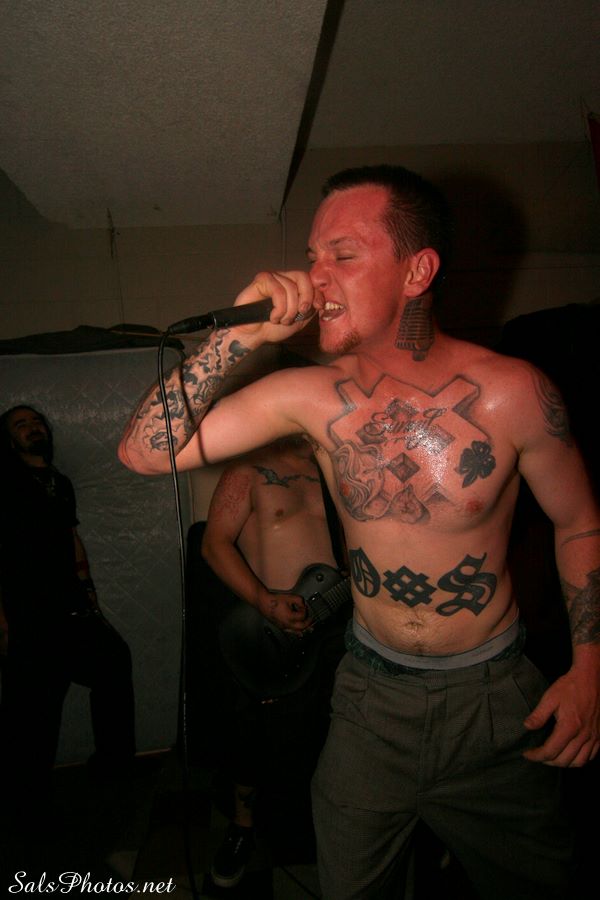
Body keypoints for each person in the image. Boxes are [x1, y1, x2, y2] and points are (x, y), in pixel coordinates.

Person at [118, 164, 600, 899]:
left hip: (494, 701)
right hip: (371, 701)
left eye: (343, 255)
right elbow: (144, 453)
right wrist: (236, 336)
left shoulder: (515, 394)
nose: (315, 277)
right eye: (313, 256)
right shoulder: (309, 397)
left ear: (417, 271)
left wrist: (591, 668)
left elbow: (579, 521)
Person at [200, 436, 348, 887]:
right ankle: (242, 828)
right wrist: (265, 601)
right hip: (270, 633)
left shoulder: (341, 471)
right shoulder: (248, 470)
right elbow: (214, 544)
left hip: (336, 628)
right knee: (252, 737)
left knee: (336, 735)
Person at [0, 404, 136, 824]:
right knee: (34, 712)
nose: (33, 428)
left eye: (37, 421)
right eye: (21, 424)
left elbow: (71, 536)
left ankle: (112, 767)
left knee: (113, 661)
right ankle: (28, 808)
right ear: (9, 440)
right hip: (26, 612)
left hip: (70, 605)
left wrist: (88, 588)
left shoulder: (60, 483)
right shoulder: (5, 483)